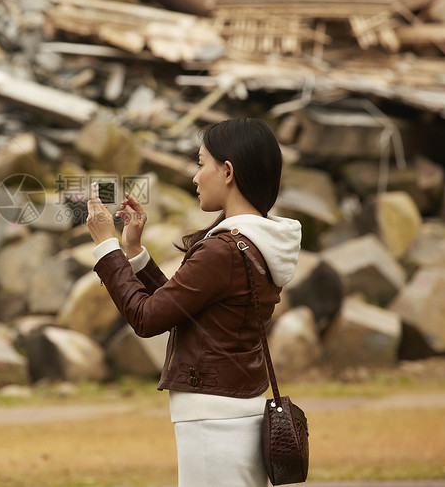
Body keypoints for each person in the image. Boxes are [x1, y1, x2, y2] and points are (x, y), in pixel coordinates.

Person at [86, 118, 302, 486]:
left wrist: (106, 247)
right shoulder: (252, 242)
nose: (195, 177)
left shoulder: (224, 250)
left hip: (213, 420)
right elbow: (187, 308)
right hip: (236, 410)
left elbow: (147, 318)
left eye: (201, 164)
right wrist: (134, 252)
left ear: (228, 171)